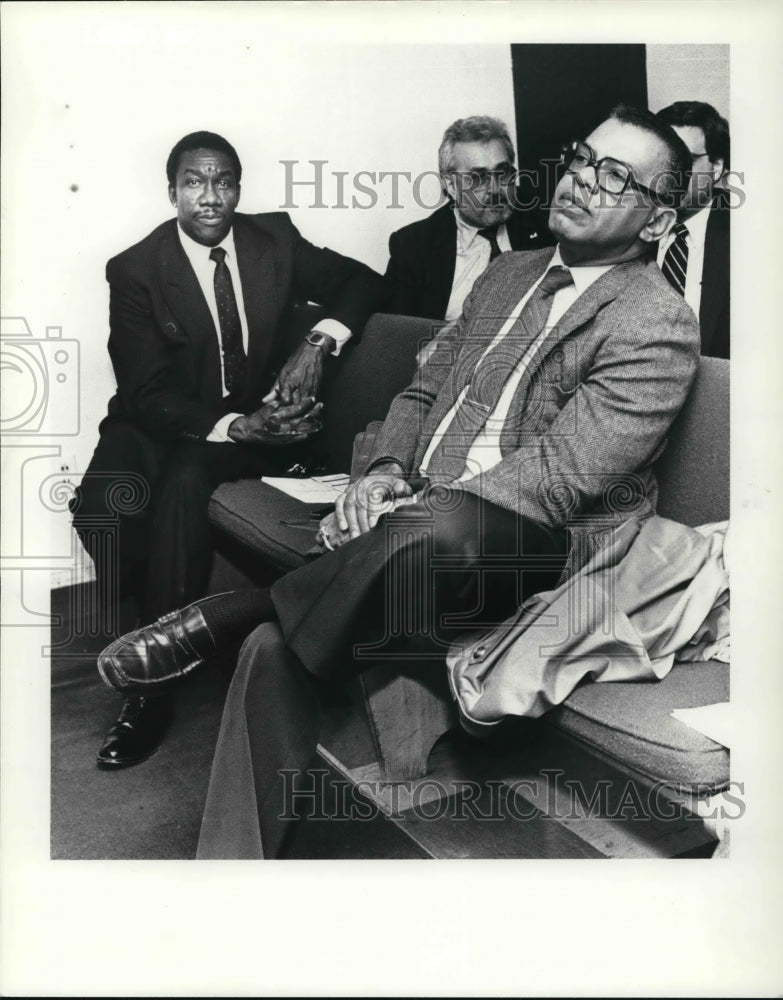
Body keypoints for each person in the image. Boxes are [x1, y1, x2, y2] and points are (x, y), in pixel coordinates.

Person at [97, 106, 700, 857]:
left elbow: (560, 477)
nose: (581, 178)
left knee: (430, 531)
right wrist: (381, 472)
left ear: (655, 219)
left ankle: (232, 610)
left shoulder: (656, 322)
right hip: (417, 533)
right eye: (581, 157)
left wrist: (417, 505)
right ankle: (234, 868)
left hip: (535, 546)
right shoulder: (507, 274)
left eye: (613, 176)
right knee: (273, 650)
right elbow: (420, 397)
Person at [73, 131, 386, 769]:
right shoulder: (136, 268)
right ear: (172, 192)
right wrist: (236, 426)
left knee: (187, 484)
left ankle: (149, 686)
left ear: (238, 190)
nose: (210, 198)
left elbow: (361, 283)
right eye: (195, 183)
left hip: (244, 430)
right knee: (102, 509)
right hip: (154, 419)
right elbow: (144, 391)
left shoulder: (275, 240)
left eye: (223, 183)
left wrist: (317, 344)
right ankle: (146, 623)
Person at [384, 115, 553, 321]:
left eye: (502, 173)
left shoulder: (547, 220)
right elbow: (398, 335)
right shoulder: (413, 247)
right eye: (478, 178)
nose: (494, 189)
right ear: (452, 186)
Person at [656, 101, 730, 358]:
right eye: (663, 157)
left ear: (716, 167)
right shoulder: (629, 224)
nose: (672, 172)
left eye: (686, 159)